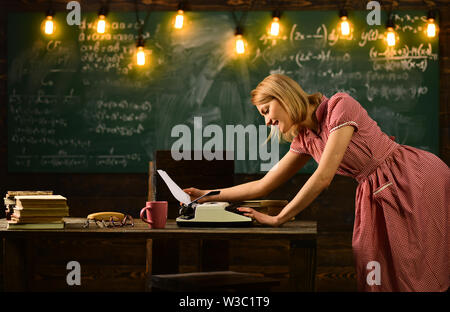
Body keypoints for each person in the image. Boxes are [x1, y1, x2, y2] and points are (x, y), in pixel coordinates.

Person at [183, 74, 449, 292]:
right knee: (373, 263)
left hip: (412, 178)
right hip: (375, 190)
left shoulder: (339, 107)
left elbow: (323, 177)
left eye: (266, 111)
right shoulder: (305, 138)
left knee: (418, 264)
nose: (267, 121)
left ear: (283, 95)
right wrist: (208, 195)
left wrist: (280, 218)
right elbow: (264, 184)